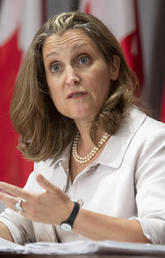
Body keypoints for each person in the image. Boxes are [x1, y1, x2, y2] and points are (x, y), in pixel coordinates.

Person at [0, 11, 165, 245]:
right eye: (55, 67)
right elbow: (18, 223)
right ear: (46, 83)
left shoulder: (154, 141)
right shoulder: (54, 152)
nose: (71, 77)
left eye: (83, 60)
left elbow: (159, 233)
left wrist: (71, 215)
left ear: (113, 68)